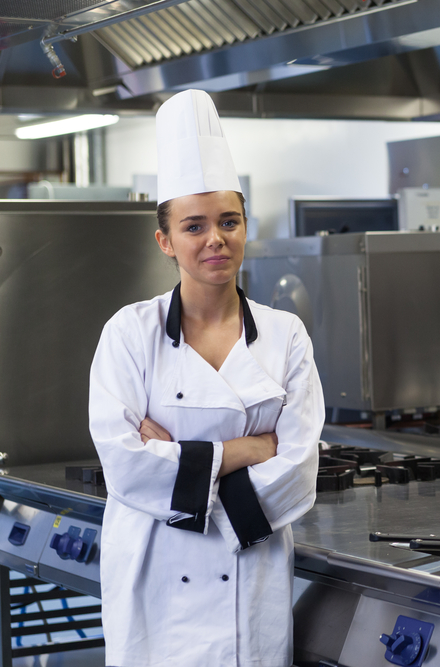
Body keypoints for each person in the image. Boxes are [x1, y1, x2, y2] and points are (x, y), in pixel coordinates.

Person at [89, 89, 324, 667]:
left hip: (250, 568)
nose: (214, 239)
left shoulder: (285, 334)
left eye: (228, 221)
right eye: (194, 226)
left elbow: (297, 465)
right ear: (166, 241)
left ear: (246, 228)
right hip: (155, 576)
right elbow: (125, 463)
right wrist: (244, 448)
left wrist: (184, 462)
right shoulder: (129, 333)